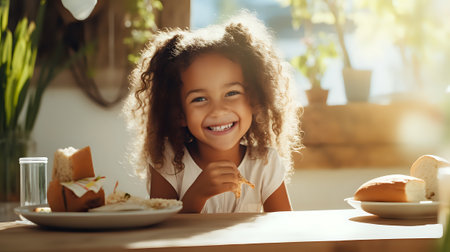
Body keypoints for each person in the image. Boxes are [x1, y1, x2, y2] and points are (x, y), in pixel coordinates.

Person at [123, 12, 302, 213]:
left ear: (253, 100)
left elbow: (285, 232)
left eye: (232, 93)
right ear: (179, 114)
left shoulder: (265, 163)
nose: (218, 110)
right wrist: (196, 195)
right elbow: (164, 235)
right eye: (199, 99)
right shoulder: (167, 161)